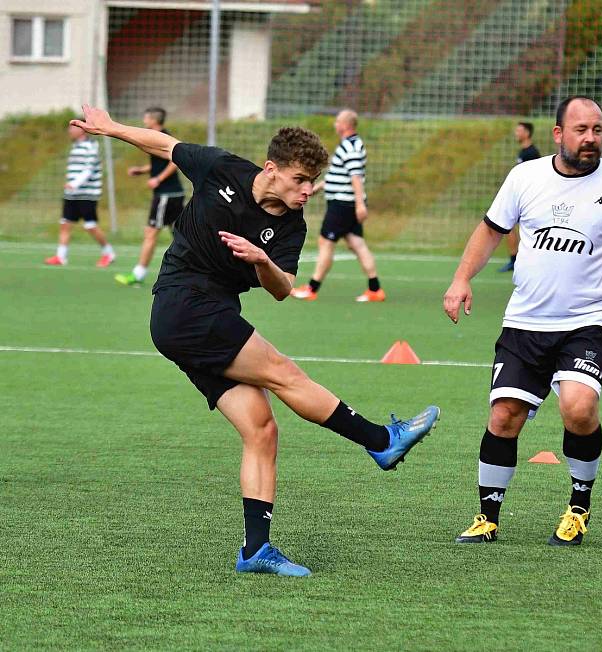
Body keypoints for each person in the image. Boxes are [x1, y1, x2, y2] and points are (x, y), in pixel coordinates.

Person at [71, 104, 440, 577]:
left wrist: (262, 260)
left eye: (313, 182)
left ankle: (256, 550)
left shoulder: (291, 225)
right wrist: (108, 128)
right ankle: (380, 440)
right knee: (284, 373)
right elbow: (164, 144)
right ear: (272, 170)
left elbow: (285, 288)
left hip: (213, 313)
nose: (308, 190)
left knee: (261, 428)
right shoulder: (221, 168)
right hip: (183, 302)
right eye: (300, 179)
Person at [443, 96, 602, 547]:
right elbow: (490, 230)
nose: (590, 138)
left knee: (578, 407)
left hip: (588, 323)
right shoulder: (525, 177)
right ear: (558, 134)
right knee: (504, 416)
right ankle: (487, 517)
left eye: (597, 129)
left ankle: (579, 507)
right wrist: (462, 278)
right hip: (525, 322)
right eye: (581, 130)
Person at [290, 109, 384, 302]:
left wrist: (360, 204)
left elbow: (355, 177)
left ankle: (312, 288)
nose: (335, 124)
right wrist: (319, 187)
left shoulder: (350, 147)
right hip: (345, 202)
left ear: (345, 125)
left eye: (337, 121)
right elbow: (339, 174)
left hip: (343, 204)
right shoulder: (349, 145)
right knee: (356, 243)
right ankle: (375, 289)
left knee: (326, 242)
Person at [115, 107, 184, 287]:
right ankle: (198, 270)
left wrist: (158, 179)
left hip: (166, 195)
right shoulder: (157, 136)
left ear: (154, 120)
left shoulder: (164, 137)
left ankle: (138, 274)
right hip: (171, 194)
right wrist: (143, 170)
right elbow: (161, 162)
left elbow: (175, 160)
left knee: (151, 233)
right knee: (181, 235)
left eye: (146, 117)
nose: (144, 119)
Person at [44, 120, 115, 267]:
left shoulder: (91, 147)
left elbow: (88, 170)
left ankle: (108, 253)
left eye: (72, 128)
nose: (69, 131)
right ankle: (61, 256)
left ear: (82, 129)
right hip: (71, 195)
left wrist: (74, 184)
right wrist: (70, 187)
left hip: (87, 194)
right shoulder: (75, 147)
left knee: (90, 226)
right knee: (65, 224)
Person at [497, 121, 541, 273]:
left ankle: (517, 260)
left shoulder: (531, 153)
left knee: (510, 226)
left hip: (529, 197)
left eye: (519, 130)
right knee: (508, 226)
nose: (516, 133)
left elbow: (536, 176)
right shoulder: (523, 152)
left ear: (527, 133)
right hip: (521, 196)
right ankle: (515, 260)